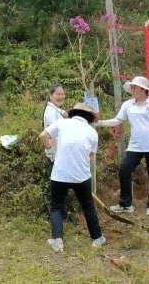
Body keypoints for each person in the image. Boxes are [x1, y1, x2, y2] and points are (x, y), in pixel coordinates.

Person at [95, 76, 149, 217]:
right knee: (124, 170)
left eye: (135, 87)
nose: (132, 90)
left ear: (144, 89)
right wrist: (99, 122)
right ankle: (125, 204)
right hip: (135, 145)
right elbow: (117, 120)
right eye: (131, 87)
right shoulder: (128, 105)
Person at [39, 103, 106, 252]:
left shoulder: (62, 122)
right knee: (88, 206)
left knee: (56, 207)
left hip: (59, 174)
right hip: (81, 176)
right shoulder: (92, 132)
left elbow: (43, 136)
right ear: (89, 118)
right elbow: (90, 155)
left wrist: (50, 150)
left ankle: (57, 242)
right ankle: (97, 239)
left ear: (73, 113)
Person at [42, 84, 73, 222]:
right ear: (51, 95)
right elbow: (53, 134)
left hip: (61, 153)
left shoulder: (56, 109)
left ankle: (62, 214)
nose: (60, 97)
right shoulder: (50, 112)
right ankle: (58, 216)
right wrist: (52, 152)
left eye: (62, 94)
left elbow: (66, 114)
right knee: (58, 187)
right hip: (56, 154)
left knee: (61, 185)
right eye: (57, 94)